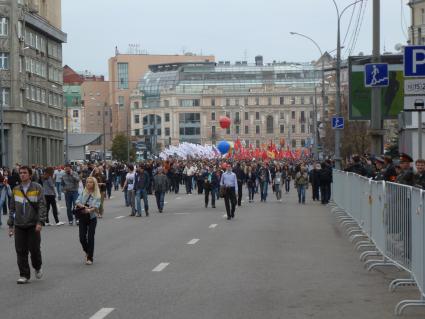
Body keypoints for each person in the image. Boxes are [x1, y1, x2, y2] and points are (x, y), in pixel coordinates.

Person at [8, 166, 46, 284]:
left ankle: (37, 266)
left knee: (34, 250)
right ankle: (24, 275)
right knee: (20, 250)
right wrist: (11, 225)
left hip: (33, 224)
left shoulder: (37, 187)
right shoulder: (16, 189)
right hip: (19, 224)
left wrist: (40, 222)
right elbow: (12, 208)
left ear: (30, 175)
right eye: (21, 173)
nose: (22, 175)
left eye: (25, 173)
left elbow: (42, 205)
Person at [75, 176, 101, 265]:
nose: (88, 183)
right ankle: (87, 251)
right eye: (87, 182)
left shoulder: (97, 194)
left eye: (90, 182)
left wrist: (89, 210)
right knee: (82, 238)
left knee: (90, 238)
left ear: (94, 184)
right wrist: (83, 206)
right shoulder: (83, 192)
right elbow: (77, 201)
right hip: (83, 217)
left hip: (92, 218)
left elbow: (96, 206)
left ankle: (90, 257)